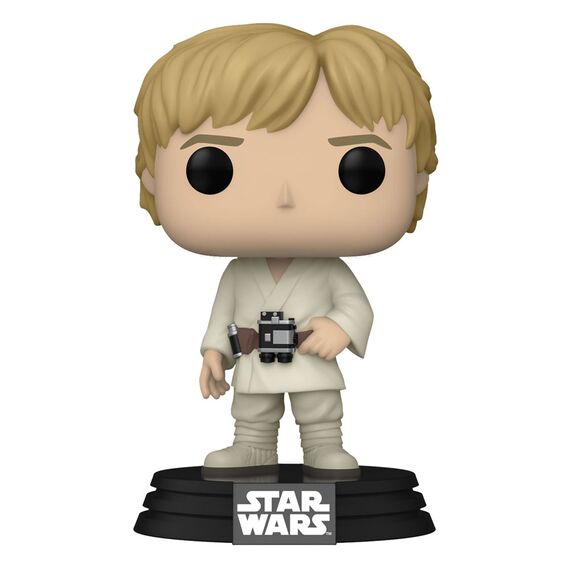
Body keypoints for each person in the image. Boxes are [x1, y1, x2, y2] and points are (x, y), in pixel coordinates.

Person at [134, 23, 437, 479]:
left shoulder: (329, 270)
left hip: (311, 355)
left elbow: (357, 307)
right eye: (212, 168)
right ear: (153, 178)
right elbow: (222, 317)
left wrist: (340, 328)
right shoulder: (239, 273)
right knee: (252, 411)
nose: (285, 197)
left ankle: (324, 447)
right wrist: (214, 352)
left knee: (319, 408)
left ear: (416, 178)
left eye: (359, 168)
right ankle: (252, 448)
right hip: (256, 358)